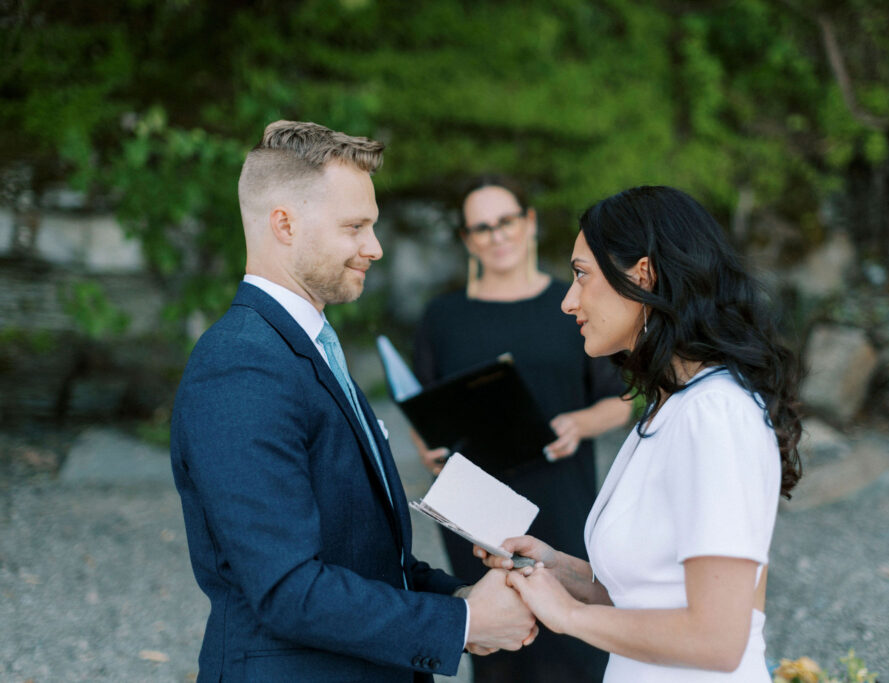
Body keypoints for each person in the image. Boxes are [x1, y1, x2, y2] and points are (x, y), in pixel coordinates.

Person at [170, 121, 537, 682]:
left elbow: (366, 557)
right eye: (355, 227)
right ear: (284, 224)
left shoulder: (308, 347)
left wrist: (461, 596)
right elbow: (287, 589)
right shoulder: (240, 365)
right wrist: (460, 623)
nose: (376, 247)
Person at [477, 185, 804, 681]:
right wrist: (555, 569)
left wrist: (568, 617)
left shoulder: (714, 414)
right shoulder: (670, 405)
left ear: (643, 276)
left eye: (582, 275)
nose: (568, 301)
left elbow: (718, 639)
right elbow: (646, 598)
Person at [412, 175, 631, 682]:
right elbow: (421, 404)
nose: (497, 235)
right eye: (481, 227)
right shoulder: (442, 317)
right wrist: (429, 448)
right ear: (468, 240)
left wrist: (578, 422)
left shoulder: (573, 302)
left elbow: (619, 400)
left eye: (506, 221)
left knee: (578, 653)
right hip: (477, 510)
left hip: (560, 498)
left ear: (528, 223)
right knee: (500, 658)